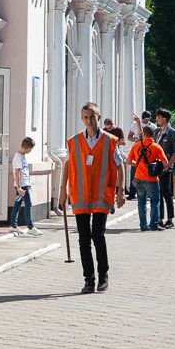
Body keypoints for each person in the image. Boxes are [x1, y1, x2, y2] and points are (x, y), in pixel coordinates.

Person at [58, 102, 125, 293]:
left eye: (92, 116)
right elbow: (67, 166)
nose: (89, 120)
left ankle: (103, 276)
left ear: (99, 116)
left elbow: (120, 165)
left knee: (98, 236)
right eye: (86, 117)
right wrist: (63, 192)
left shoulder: (111, 140)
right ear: (82, 119)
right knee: (83, 239)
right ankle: (89, 279)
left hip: (101, 196)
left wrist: (121, 191)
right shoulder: (74, 141)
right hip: (80, 196)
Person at [128, 125, 168, 231]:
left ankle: (143, 226)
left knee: (141, 202)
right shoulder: (156, 146)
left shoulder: (136, 146)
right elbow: (165, 163)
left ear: (143, 134)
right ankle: (153, 225)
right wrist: (159, 168)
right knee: (155, 201)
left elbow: (128, 161)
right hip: (152, 179)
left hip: (138, 178)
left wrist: (137, 164)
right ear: (153, 134)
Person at [153, 108, 175, 229]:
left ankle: (170, 220)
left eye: (158, 117)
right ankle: (160, 219)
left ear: (164, 119)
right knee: (158, 194)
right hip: (156, 167)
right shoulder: (157, 131)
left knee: (166, 193)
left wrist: (168, 166)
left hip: (165, 167)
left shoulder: (172, 133)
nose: (157, 119)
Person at [10, 137, 40, 236]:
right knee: (28, 204)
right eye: (31, 149)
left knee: (17, 205)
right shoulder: (18, 158)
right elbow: (17, 173)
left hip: (24, 185)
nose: (31, 151)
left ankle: (13, 225)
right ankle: (30, 227)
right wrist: (19, 188)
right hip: (22, 186)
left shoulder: (21, 156)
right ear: (27, 148)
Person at [103, 118, 127, 205]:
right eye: (107, 128)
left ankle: (115, 195)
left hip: (115, 152)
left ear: (113, 124)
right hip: (106, 154)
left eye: (110, 128)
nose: (108, 130)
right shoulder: (104, 130)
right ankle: (109, 199)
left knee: (115, 177)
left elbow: (123, 143)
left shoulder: (118, 130)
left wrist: (114, 142)